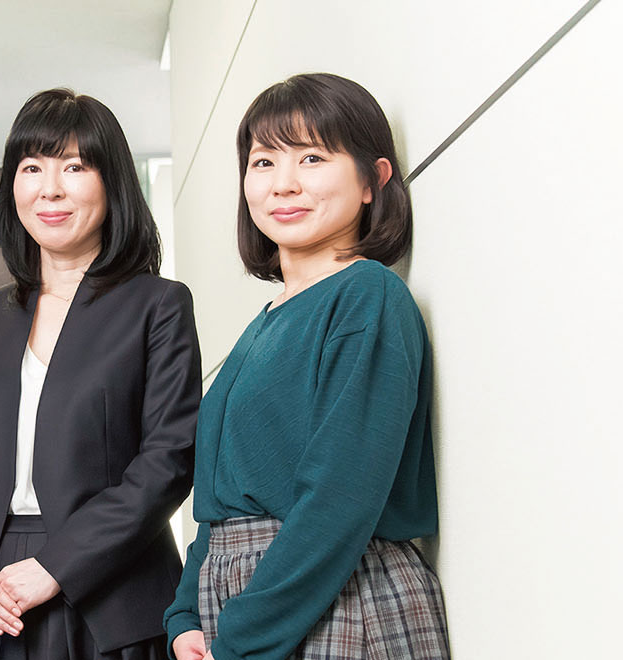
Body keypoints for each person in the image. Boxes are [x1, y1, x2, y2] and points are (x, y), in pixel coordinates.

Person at [163, 73, 451, 660]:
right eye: (263, 162)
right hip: (251, 609)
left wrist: (240, 638)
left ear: (373, 180)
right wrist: (187, 614)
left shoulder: (366, 297)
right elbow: (220, 503)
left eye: (312, 157)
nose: (283, 183)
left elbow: (338, 498)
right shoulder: (267, 320)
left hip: (335, 601)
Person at [0, 88, 202, 660]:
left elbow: (168, 460)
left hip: (111, 590)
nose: (50, 188)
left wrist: (56, 566)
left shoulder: (158, 306)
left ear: (111, 182)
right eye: (32, 168)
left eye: (74, 166)